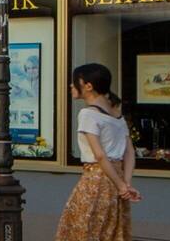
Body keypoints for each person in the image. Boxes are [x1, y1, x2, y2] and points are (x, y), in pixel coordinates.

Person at [57, 63, 141, 241]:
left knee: (84, 228)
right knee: (111, 230)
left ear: (88, 86)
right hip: (116, 177)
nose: (71, 85)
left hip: (95, 178)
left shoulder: (88, 114)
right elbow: (129, 152)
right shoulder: (117, 115)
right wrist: (125, 184)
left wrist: (122, 186)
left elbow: (99, 155)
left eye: (75, 82)